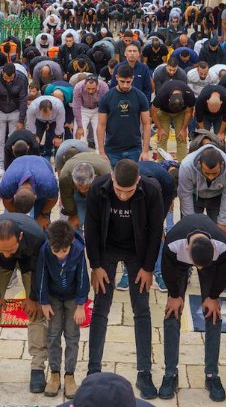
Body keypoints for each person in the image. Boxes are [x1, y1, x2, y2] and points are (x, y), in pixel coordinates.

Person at [85, 159, 165, 398]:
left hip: (137, 251)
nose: (122, 195)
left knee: (141, 309)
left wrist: (148, 268)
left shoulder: (152, 190)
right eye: (119, 189)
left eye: (128, 191)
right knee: (101, 307)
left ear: (138, 181)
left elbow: (155, 232)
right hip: (107, 248)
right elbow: (91, 228)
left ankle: (144, 371)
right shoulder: (98, 188)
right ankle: (93, 370)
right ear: (112, 177)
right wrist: (96, 265)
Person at [159, 213, 226, 401]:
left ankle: (212, 374)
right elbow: (167, 270)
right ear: (187, 248)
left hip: (211, 266)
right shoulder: (173, 243)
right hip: (178, 265)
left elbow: (223, 273)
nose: (197, 269)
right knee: (172, 311)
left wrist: (213, 296)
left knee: (213, 313)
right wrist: (174, 295)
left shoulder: (223, 245)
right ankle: (170, 373)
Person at [0, 212, 47, 393]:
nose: (7, 255)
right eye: (2, 250)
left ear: (20, 237)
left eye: (10, 250)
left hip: (31, 263)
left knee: (37, 311)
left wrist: (33, 298)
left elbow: (40, 270)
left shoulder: (37, 237)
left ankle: (38, 367)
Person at [36, 219, 90, 400]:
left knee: (72, 335)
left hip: (73, 297)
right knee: (53, 335)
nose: (60, 255)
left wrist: (81, 305)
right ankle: (54, 373)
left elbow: (83, 277)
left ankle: (69, 375)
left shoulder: (78, 250)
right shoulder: (45, 250)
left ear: (71, 243)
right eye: (56, 251)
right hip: (53, 298)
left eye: (64, 251)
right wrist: (44, 302)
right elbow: (41, 275)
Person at [177, 146, 226, 234]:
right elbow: (185, 195)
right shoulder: (186, 166)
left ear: (222, 164)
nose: (210, 177)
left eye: (215, 173)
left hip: (218, 196)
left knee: (220, 232)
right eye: (207, 173)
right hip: (194, 195)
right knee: (189, 229)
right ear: (199, 164)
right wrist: (189, 222)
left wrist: (223, 222)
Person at [97, 64, 152, 166]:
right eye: (122, 81)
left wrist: (145, 151)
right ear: (116, 77)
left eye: (128, 82)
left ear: (133, 79)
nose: (125, 85)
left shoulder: (140, 96)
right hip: (112, 149)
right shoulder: (107, 97)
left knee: (134, 176)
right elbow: (101, 125)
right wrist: (101, 152)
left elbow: (147, 124)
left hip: (134, 148)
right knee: (113, 176)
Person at [0, 153, 60, 230]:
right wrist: (16, 216)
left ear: (35, 196)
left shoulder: (48, 184)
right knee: (11, 225)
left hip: (40, 163)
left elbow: (53, 199)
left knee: (42, 226)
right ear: (14, 196)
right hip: (18, 162)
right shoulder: (6, 185)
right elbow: (7, 202)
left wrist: (42, 214)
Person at [0, 63, 28, 169]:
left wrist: (21, 120)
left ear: (14, 74)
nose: (8, 80)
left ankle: (14, 162)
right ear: (2, 72)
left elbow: (23, 99)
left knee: (15, 140)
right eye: (6, 78)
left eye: (11, 78)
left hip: (15, 111)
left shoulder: (22, 79)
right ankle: (0, 164)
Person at [59, 151, 111, 228]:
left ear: (94, 177)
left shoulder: (106, 174)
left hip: (98, 186)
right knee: (78, 221)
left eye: (86, 188)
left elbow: (109, 197)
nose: (82, 191)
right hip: (74, 187)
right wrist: (73, 214)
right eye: (79, 187)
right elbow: (66, 197)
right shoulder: (65, 177)